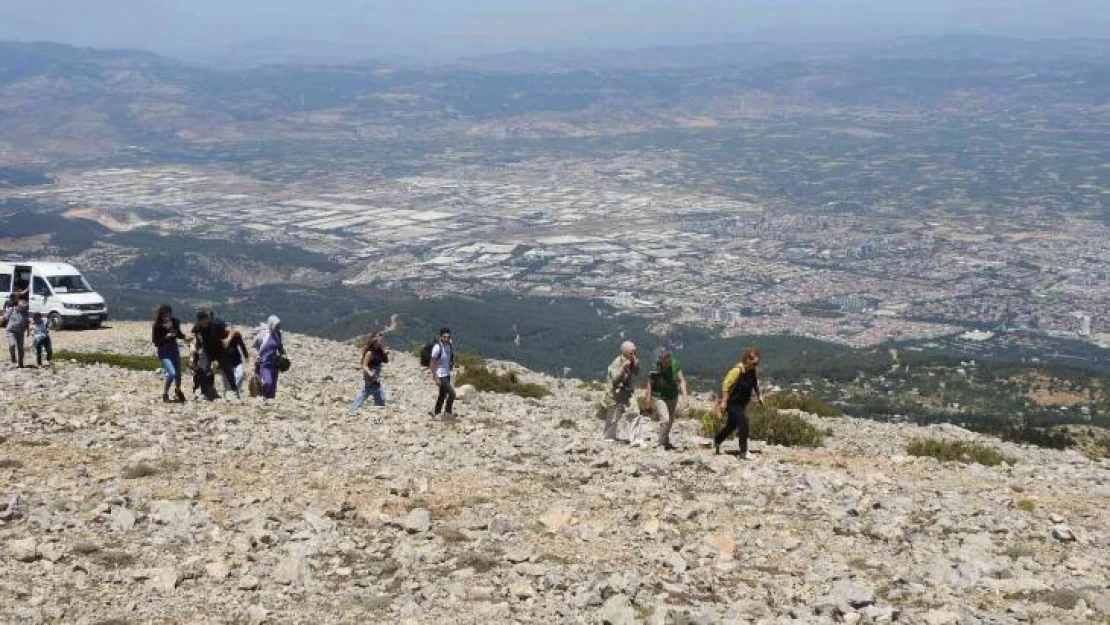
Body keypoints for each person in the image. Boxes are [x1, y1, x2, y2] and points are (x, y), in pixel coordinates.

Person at [714, 347, 764, 459]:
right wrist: (724, 402)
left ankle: (717, 440)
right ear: (747, 360)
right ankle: (743, 452)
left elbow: (755, 384)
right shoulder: (736, 371)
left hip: (742, 403)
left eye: (757, 364)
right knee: (744, 422)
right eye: (754, 363)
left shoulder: (751, 371)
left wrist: (759, 396)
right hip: (732, 403)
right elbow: (725, 386)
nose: (755, 366)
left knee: (731, 426)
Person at [192, 310, 244, 399]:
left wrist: (228, 339)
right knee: (202, 370)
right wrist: (194, 346)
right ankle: (205, 392)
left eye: (204, 320)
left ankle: (234, 391)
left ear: (207, 319)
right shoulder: (197, 326)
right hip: (207, 350)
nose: (202, 323)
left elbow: (231, 330)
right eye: (200, 321)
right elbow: (194, 335)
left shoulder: (217, 324)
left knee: (228, 369)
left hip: (220, 349)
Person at [645, 348, 689, 451]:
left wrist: (685, 397)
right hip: (659, 396)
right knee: (665, 419)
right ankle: (660, 443)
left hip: (672, 396)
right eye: (663, 360)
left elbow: (681, 380)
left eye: (667, 359)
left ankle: (665, 440)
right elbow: (649, 383)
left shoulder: (675, 364)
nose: (666, 362)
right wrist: (648, 400)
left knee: (671, 420)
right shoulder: (655, 367)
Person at [603, 341, 643, 445]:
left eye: (635, 352)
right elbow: (615, 379)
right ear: (624, 352)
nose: (633, 355)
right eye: (631, 353)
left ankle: (636, 439)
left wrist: (636, 365)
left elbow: (637, 372)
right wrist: (622, 368)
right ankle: (609, 436)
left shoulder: (632, 360)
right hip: (616, 391)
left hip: (628, 391)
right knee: (614, 415)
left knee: (635, 413)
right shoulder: (616, 363)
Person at [152, 305, 187, 403]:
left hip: (174, 350)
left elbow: (179, 333)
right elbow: (156, 342)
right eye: (165, 315)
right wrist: (165, 338)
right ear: (161, 315)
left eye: (169, 315)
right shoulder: (157, 326)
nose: (167, 317)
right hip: (164, 352)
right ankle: (165, 393)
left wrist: (185, 337)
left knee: (178, 373)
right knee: (172, 373)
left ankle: (178, 389)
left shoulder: (175, 322)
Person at [350, 333, 390, 414]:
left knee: (372, 391)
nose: (379, 343)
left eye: (379, 342)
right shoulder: (370, 353)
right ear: (373, 342)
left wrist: (385, 354)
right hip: (370, 376)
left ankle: (354, 409)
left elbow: (385, 361)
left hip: (375, 375)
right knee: (371, 392)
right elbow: (364, 365)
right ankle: (353, 410)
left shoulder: (379, 351)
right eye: (377, 342)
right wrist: (370, 373)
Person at [255, 315, 285, 400]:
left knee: (273, 386)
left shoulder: (278, 334)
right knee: (268, 382)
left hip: (275, 363)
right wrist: (257, 356)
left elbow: (280, 346)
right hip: (264, 362)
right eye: (276, 325)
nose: (278, 327)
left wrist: (283, 354)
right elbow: (258, 346)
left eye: (279, 325)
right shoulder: (265, 335)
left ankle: (270, 401)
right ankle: (262, 395)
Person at [429, 327, 456, 417]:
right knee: (452, 394)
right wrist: (435, 377)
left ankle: (435, 412)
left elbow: (450, 356)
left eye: (448, 337)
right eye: (444, 337)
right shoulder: (437, 347)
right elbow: (432, 362)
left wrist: (452, 363)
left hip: (447, 373)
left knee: (442, 394)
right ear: (440, 337)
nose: (446, 339)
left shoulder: (450, 345)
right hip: (440, 374)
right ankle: (448, 413)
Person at [221, 330, 251, 400]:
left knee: (240, 376)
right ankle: (228, 394)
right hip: (224, 360)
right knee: (226, 381)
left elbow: (242, 345)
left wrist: (246, 356)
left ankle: (234, 392)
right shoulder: (220, 334)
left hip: (236, 359)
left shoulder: (237, 335)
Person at [3, 293, 29, 368]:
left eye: (25, 302)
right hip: (11, 331)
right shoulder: (11, 309)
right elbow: (4, 318)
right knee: (12, 345)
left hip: (20, 332)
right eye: (23, 302)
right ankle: (13, 357)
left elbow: (27, 322)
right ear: (18, 302)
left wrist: (28, 330)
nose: (24, 304)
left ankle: (20, 363)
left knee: (20, 348)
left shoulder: (25, 313)